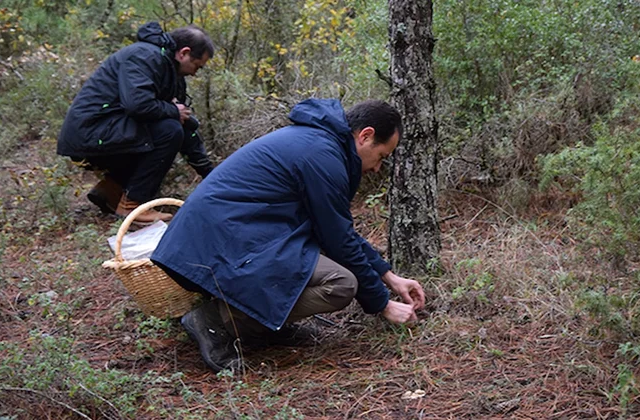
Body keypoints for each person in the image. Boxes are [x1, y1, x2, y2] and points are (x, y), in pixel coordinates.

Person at [151, 98, 426, 372]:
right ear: (366, 136)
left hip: (226, 236)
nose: (377, 168)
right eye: (382, 157)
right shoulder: (322, 155)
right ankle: (217, 319)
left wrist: (389, 276)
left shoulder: (321, 144)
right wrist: (381, 303)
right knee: (341, 284)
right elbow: (339, 241)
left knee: (312, 261)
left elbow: (339, 230)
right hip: (222, 239)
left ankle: (266, 323)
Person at [57, 22, 215, 224]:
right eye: (197, 66)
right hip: (89, 133)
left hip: (105, 131)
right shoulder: (145, 56)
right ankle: (134, 205)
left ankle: (110, 191)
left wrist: (209, 173)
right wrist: (173, 111)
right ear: (184, 53)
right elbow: (137, 105)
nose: (195, 73)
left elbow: (184, 126)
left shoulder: (171, 73)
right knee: (168, 131)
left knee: (170, 127)